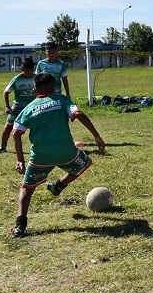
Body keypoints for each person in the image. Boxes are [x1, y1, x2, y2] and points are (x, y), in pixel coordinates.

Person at [10, 73, 105, 237]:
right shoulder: (62, 100)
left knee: (27, 188)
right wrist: (96, 136)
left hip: (40, 157)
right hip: (66, 153)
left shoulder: (28, 108)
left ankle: (20, 225)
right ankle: (58, 186)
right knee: (85, 162)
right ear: (54, 88)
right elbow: (79, 114)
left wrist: (20, 160)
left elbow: (16, 134)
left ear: (34, 90)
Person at [0, 57, 37, 154]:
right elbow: (6, 92)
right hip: (18, 107)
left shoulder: (36, 78)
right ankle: (2, 147)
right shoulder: (16, 80)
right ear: (22, 70)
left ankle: (40, 146)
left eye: (31, 70)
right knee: (8, 127)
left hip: (32, 107)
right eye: (27, 70)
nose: (30, 73)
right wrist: (7, 106)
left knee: (38, 127)